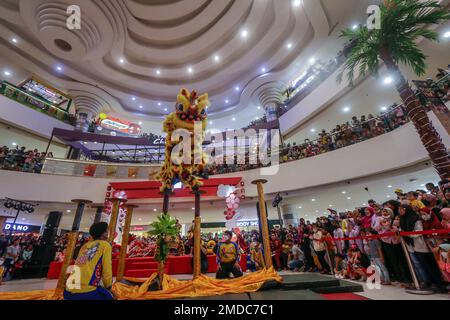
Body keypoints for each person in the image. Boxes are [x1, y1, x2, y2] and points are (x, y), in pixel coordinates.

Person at [399, 204, 448, 293]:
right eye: (421, 214)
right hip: (417, 246)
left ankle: (440, 285)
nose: (400, 211)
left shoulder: (416, 219)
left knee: (434, 266)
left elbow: (419, 232)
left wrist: (408, 234)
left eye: (401, 209)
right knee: (424, 266)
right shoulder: (404, 220)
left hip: (425, 246)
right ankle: (431, 283)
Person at [63, 222, 114, 300]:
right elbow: (107, 269)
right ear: (103, 233)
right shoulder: (105, 245)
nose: (108, 234)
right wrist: (109, 286)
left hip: (68, 292)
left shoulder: (85, 246)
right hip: (86, 292)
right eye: (106, 231)